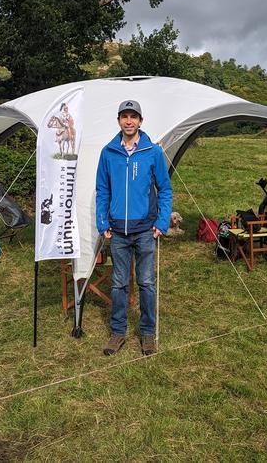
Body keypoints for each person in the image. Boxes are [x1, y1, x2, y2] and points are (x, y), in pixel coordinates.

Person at [95, 100, 173, 356]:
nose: (129, 121)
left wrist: (162, 222)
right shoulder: (108, 152)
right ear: (118, 120)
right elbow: (103, 189)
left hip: (145, 230)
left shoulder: (152, 151)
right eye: (124, 116)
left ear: (141, 121)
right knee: (118, 284)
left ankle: (147, 334)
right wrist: (102, 220)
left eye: (133, 117)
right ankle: (118, 333)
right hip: (117, 230)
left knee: (147, 283)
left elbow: (165, 189)